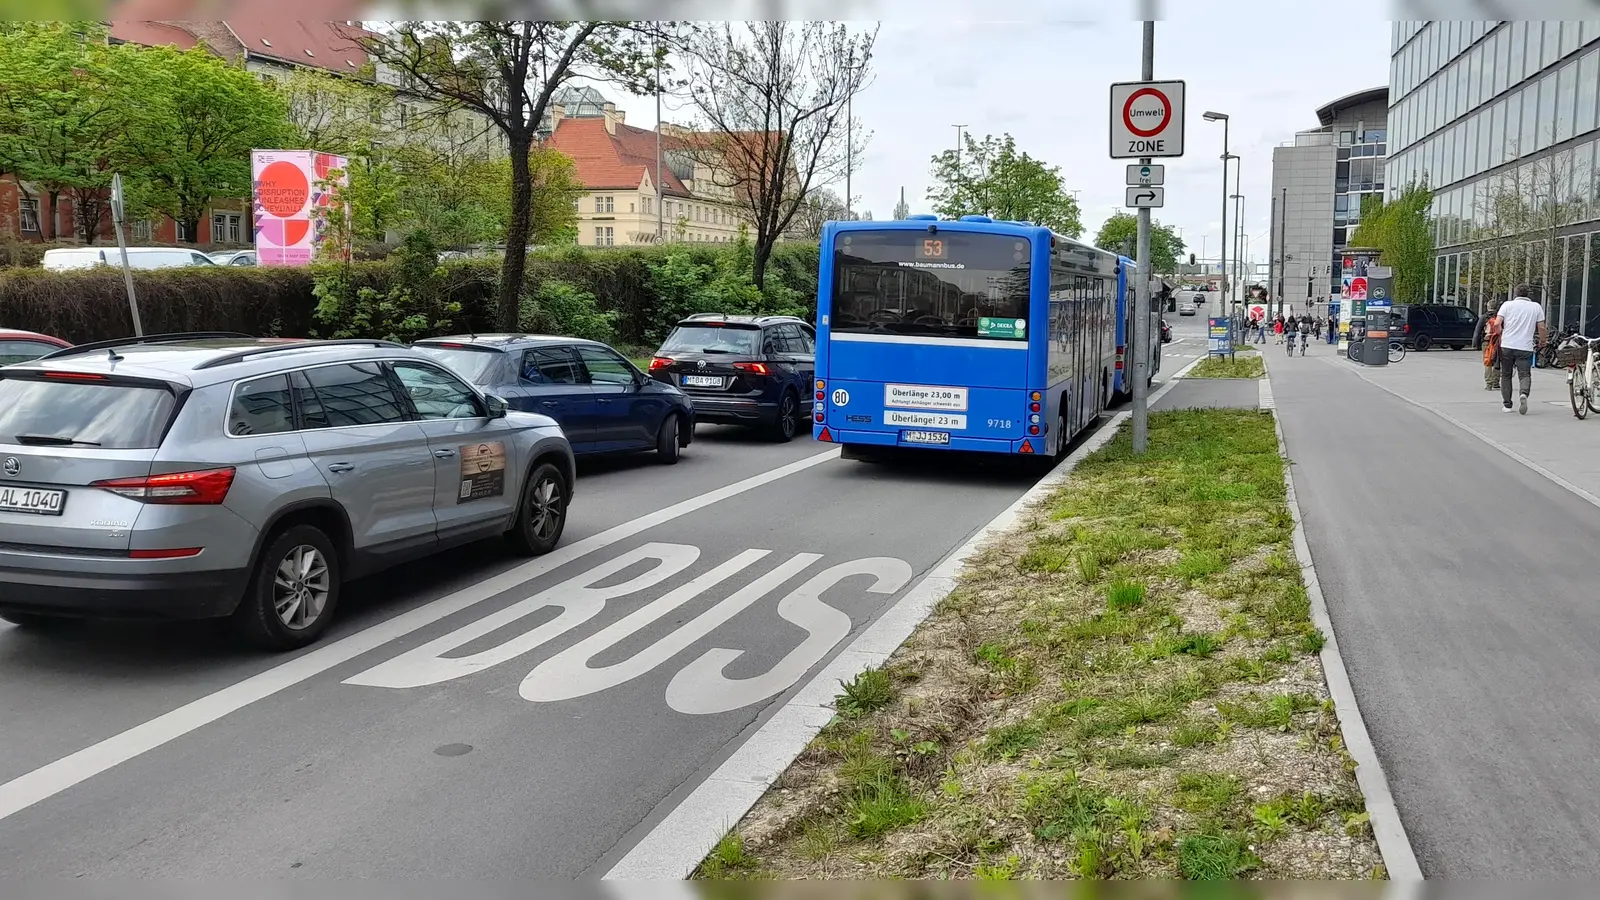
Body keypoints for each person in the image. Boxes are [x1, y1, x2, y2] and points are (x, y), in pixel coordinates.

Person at [1496, 284, 1546, 415]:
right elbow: (1541, 327)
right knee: (1524, 374)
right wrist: (1542, 341)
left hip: (1507, 345)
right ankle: (1523, 393)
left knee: (1506, 375)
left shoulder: (1507, 305)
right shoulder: (1536, 307)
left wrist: (1500, 333)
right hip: (1525, 346)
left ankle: (1507, 405)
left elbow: (1497, 323)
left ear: (1515, 293)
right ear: (1528, 294)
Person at [1480, 297, 1503, 391]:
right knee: (1497, 361)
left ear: (1488, 307)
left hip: (1487, 342)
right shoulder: (1500, 317)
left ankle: (1488, 383)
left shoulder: (1483, 317)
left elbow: (1478, 330)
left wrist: (1475, 342)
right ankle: (1495, 382)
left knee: (1488, 362)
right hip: (1498, 342)